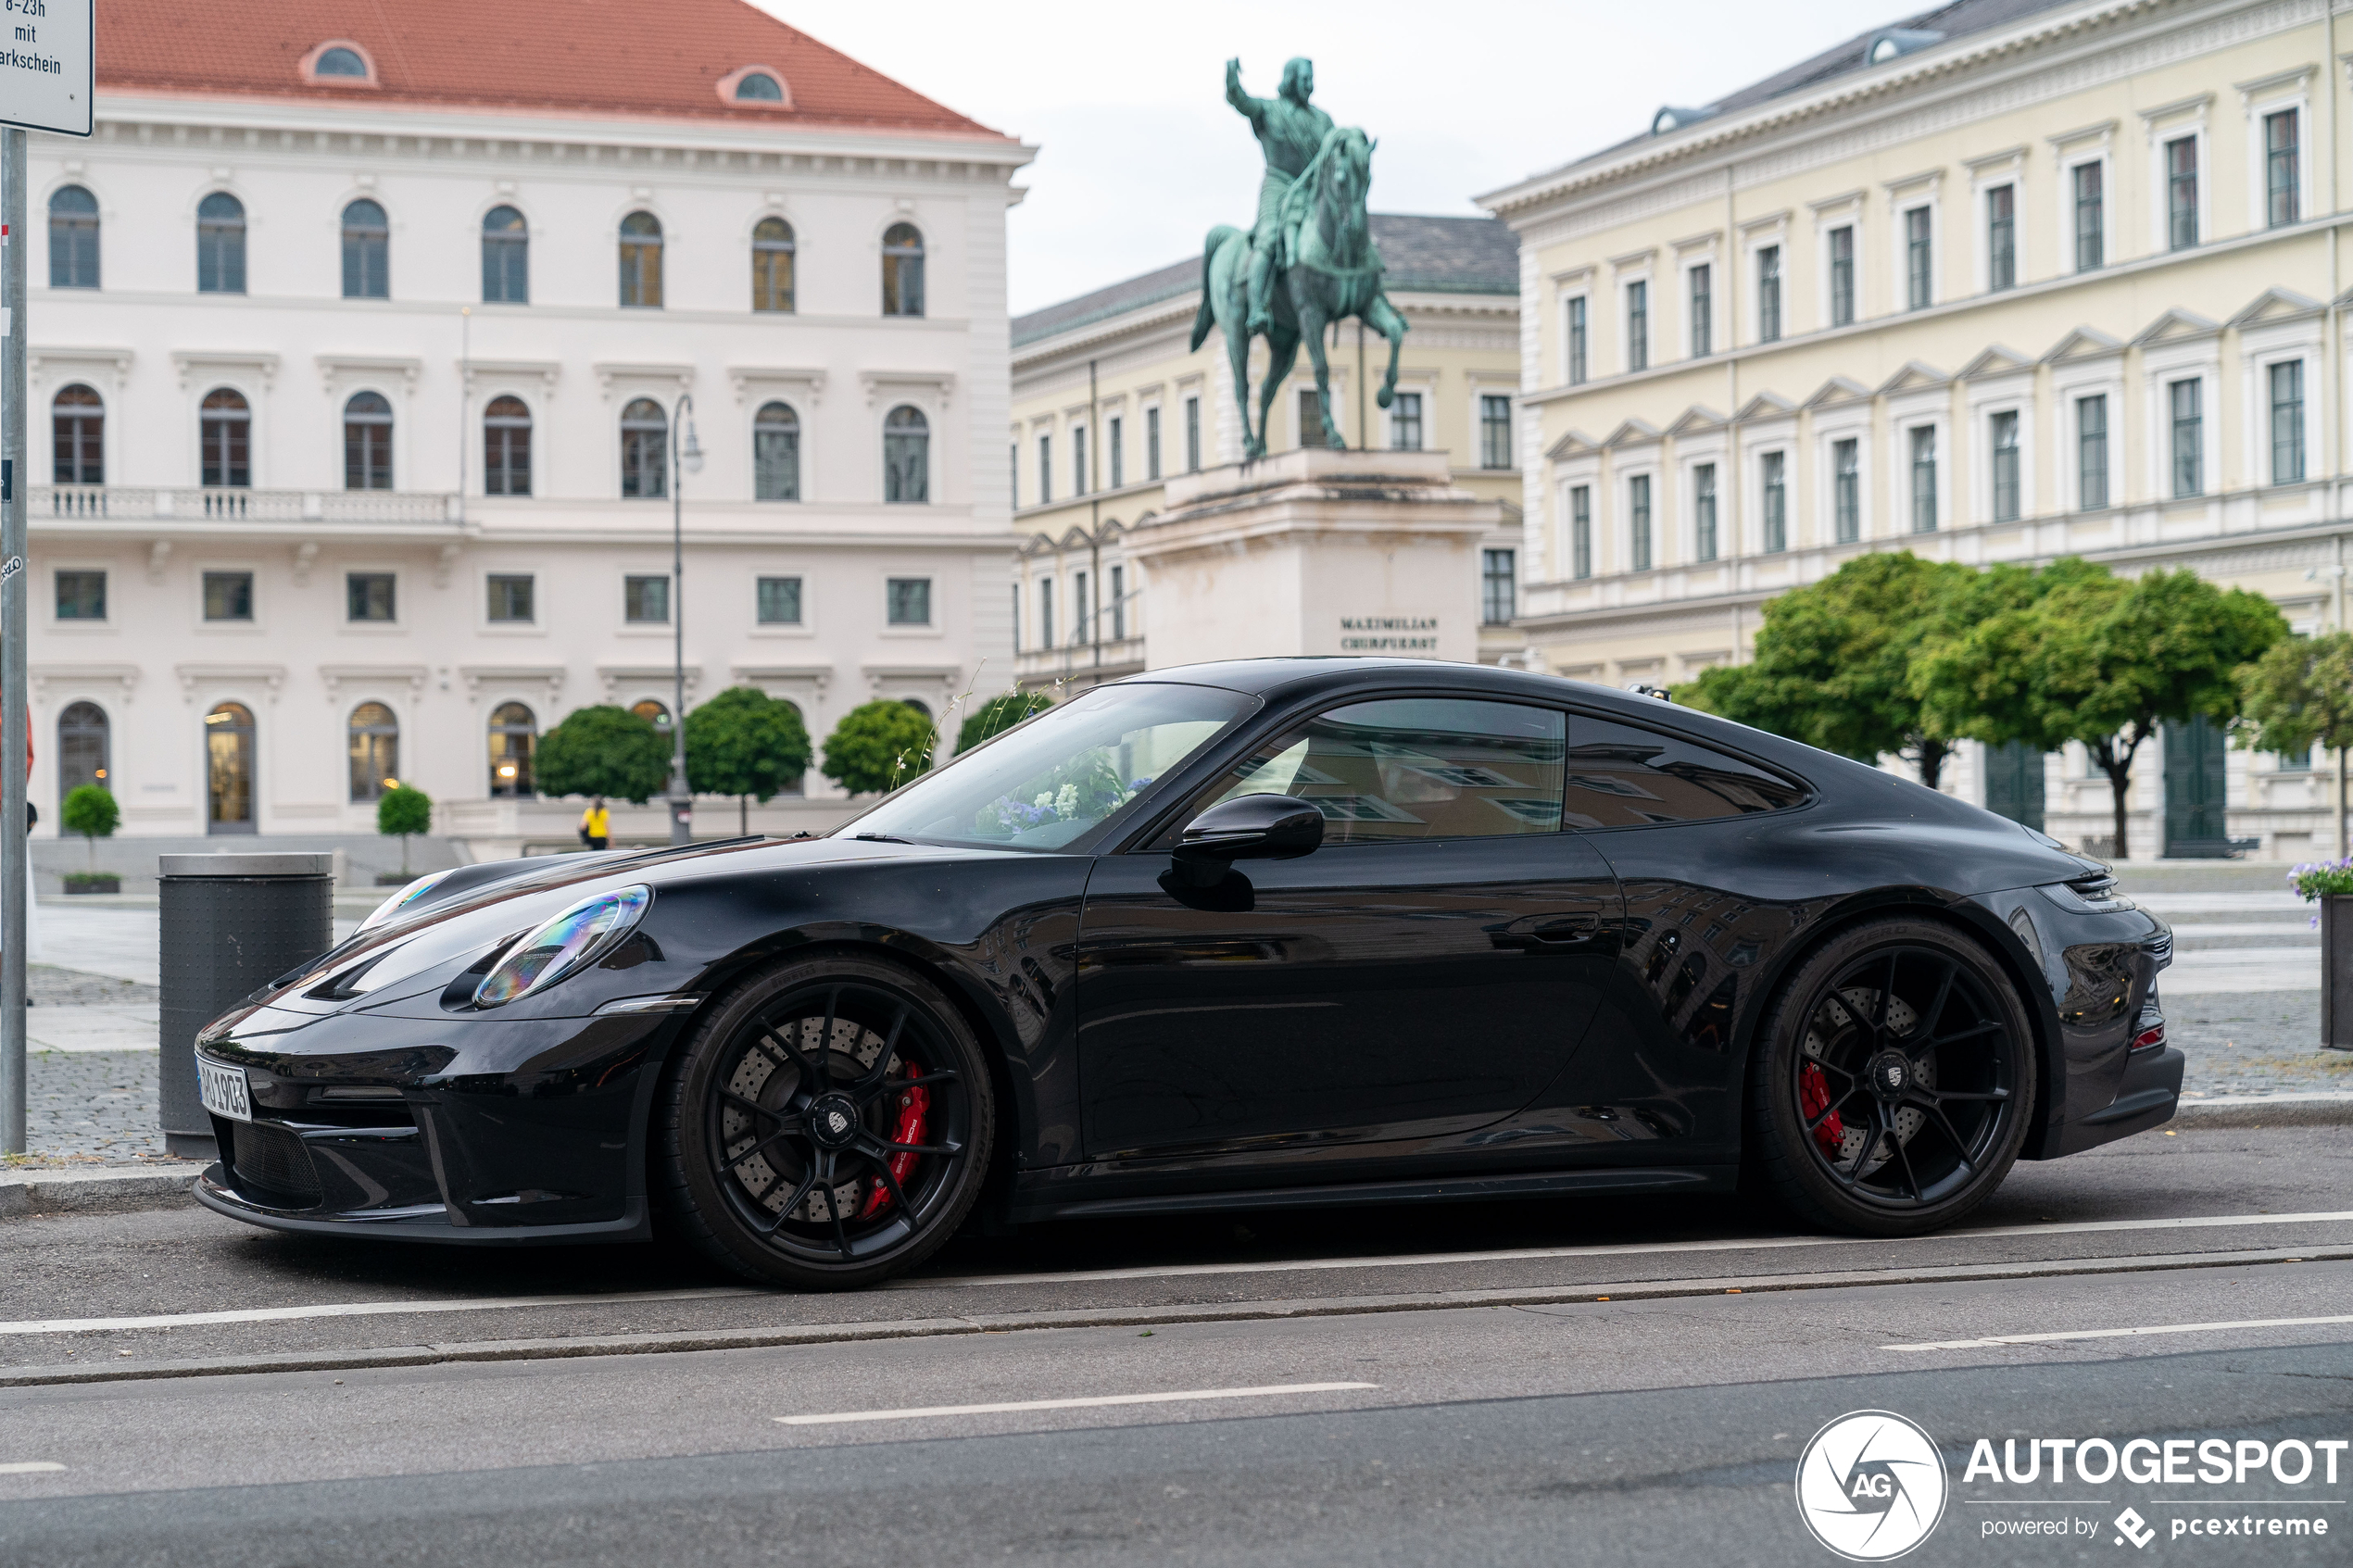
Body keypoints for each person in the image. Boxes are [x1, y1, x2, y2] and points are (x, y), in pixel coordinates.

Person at [1225, 56, 1334, 337]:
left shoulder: (1323, 120)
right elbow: (1240, 101)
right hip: (1278, 185)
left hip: (1310, 191)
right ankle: (1258, 307)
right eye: (1305, 79)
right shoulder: (1270, 110)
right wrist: (1232, 78)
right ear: (1291, 79)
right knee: (1269, 238)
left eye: (1312, 79)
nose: (1310, 84)